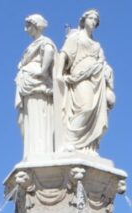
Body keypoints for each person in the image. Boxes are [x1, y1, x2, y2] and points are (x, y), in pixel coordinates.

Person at [59, 9, 115, 154]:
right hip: (80, 76)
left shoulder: (97, 44)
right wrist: (58, 74)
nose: (94, 21)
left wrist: (108, 82)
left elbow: (103, 62)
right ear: (84, 20)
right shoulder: (75, 37)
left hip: (96, 79)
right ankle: (70, 141)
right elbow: (64, 54)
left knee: (96, 113)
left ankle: (87, 146)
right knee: (85, 107)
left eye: (96, 20)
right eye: (91, 18)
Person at [15, 14, 57, 161]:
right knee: (25, 120)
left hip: (38, 86)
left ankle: (40, 152)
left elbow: (50, 52)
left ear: (36, 25)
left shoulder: (45, 41)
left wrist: (42, 71)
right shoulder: (31, 46)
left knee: (39, 117)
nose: (26, 29)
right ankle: (31, 153)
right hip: (28, 87)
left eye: (28, 25)